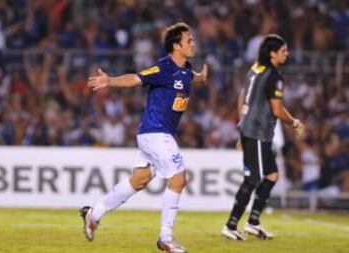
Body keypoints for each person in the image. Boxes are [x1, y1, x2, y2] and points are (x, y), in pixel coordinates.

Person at [80, 22, 207, 253]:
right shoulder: (164, 68)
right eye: (189, 41)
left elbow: (191, 77)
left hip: (157, 134)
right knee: (178, 179)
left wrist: (201, 77)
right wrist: (110, 81)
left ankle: (93, 214)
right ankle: (166, 238)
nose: (193, 43)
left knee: (138, 180)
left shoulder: (186, 69)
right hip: (156, 132)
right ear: (176, 46)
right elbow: (135, 79)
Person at [221, 34, 304, 240]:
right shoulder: (275, 77)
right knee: (253, 180)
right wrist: (294, 122)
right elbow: (276, 109)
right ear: (272, 53)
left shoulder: (254, 69)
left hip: (253, 129)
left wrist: (242, 123)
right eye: (283, 51)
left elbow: (242, 97)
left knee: (272, 175)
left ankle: (253, 222)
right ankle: (231, 225)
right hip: (258, 131)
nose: (287, 54)